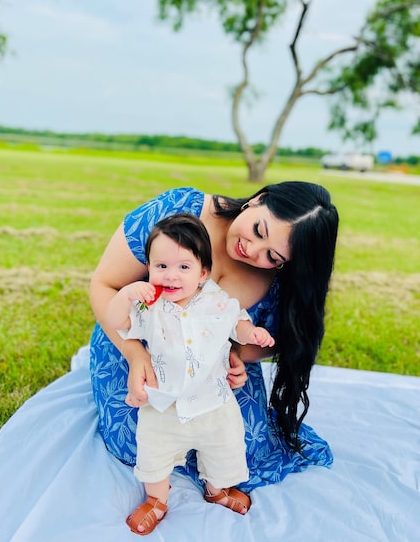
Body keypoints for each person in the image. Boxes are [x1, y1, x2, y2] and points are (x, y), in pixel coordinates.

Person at [89, 183, 339, 507]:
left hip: (210, 370)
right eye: (259, 230)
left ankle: (215, 481)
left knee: (246, 448)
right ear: (257, 200)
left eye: (272, 255)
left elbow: (277, 339)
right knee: (134, 440)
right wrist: (137, 356)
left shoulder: (278, 278)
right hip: (133, 340)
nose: (253, 249)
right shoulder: (181, 210)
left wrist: (234, 353)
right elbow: (104, 284)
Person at [106, 213, 275, 534]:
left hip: (214, 401)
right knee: (154, 451)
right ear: (151, 267)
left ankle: (217, 490)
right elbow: (118, 322)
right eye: (161, 266)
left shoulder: (217, 300)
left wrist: (252, 334)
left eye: (183, 267)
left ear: (203, 273)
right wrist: (125, 295)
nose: (171, 276)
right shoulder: (148, 305)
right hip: (164, 403)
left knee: (225, 448)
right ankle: (156, 499)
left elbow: (237, 322)